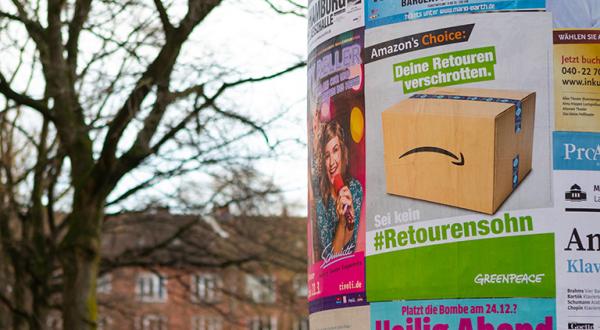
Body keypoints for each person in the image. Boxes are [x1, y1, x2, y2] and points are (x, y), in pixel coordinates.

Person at [315, 120, 362, 259]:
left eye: (335, 150)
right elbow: (332, 258)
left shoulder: (354, 189)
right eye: (327, 156)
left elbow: (352, 246)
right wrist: (342, 222)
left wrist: (350, 222)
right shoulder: (320, 203)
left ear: (342, 151)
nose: (332, 162)